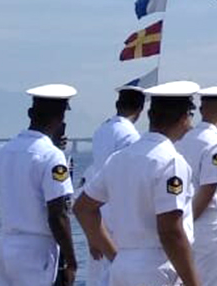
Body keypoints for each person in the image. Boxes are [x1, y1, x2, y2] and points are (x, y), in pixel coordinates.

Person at [73, 80, 202, 286]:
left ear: (150, 116)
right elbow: (170, 231)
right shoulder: (171, 161)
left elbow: (83, 208)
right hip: (157, 268)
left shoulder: (119, 158)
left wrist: (114, 255)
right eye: (190, 116)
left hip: (123, 266)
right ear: (183, 117)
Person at [0, 84, 78, 286]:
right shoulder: (52, 156)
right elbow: (58, 215)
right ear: (61, 118)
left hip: (7, 245)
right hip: (36, 252)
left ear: (30, 113)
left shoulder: (3, 152)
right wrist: (71, 261)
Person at [83, 84, 143, 286]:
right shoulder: (131, 136)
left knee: (99, 274)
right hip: (120, 212)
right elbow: (131, 178)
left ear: (117, 104)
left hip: (98, 209)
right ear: (141, 109)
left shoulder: (101, 130)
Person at [174, 86, 217, 286]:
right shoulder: (216, 143)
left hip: (184, 219)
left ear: (201, 109)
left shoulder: (184, 138)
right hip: (208, 226)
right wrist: (188, 224)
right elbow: (208, 189)